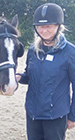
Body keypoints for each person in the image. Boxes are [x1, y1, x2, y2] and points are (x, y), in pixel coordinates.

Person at [16, 3, 75, 140]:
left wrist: (73, 116)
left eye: (48, 26)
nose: (44, 30)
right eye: (40, 27)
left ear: (58, 26)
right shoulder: (33, 50)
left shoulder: (70, 53)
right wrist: (20, 77)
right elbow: (30, 76)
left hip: (55, 115)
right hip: (33, 114)